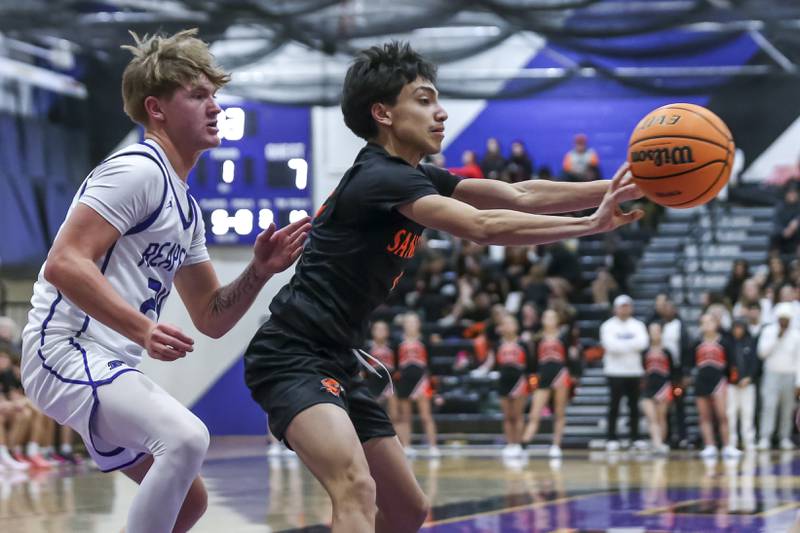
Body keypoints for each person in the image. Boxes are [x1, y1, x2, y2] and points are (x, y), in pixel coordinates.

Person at [242, 41, 643, 533]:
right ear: (383, 113)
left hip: (339, 357)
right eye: (425, 99)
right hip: (291, 354)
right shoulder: (379, 178)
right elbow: (485, 226)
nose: (441, 112)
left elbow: (520, 194)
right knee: (356, 488)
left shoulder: (412, 175)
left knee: (407, 511)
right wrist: (589, 226)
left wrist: (629, 184)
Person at [19, 29, 309, 533]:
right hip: (63, 347)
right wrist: (141, 329)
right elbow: (63, 263)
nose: (214, 107)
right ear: (156, 108)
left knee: (189, 505)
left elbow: (211, 317)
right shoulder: (138, 170)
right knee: (186, 438)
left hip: (109, 361)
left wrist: (259, 271)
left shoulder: (187, 208)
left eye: (215, 95)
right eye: (198, 95)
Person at [600, 294, 648, 451]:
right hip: (614, 372)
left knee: (634, 406)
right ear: (615, 309)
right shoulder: (607, 326)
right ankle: (611, 437)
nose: (624, 309)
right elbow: (610, 346)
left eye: (627, 306)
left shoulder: (638, 325)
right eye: (622, 306)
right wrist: (630, 345)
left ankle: (635, 437)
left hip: (634, 371)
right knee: (614, 405)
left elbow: (643, 343)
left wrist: (622, 345)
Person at [522, 309, 571, 458]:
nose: (549, 319)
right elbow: (532, 362)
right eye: (546, 317)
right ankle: (523, 444)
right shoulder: (537, 338)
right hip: (543, 376)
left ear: (558, 320)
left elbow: (571, 356)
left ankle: (556, 445)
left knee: (559, 412)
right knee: (535, 413)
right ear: (542, 320)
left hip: (560, 375)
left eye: (552, 317)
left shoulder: (564, 336)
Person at [691, 314, 741, 459]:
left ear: (716, 324)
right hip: (701, 381)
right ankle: (710, 445)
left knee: (722, 415)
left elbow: (732, 364)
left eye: (710, 321)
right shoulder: (696, 343)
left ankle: (727, 446)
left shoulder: (724, 342)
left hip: (719, 381)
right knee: (704, 416)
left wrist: (732, 380)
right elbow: (690, 363)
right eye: (704, 322)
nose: (707, 325)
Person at [756, 302, 800, 451]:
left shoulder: (796, 335)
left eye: (786, 319)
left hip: (790, 375)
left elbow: (799, 360)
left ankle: (784, 437)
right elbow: (762, 353)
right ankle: (765, 437)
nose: (784, 322)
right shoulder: (769, 331)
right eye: (781, 319)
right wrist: (777, 337)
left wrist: (798, 383)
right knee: (769, 406)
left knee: (787, 408)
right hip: (771, 375)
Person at [492, 313, 531, 458]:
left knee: (518, 415)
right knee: (507, 416)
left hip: (519, 381)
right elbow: (494, 363)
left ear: (516, 326)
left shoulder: (523, 344)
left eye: (510, 323)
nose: (508, 326)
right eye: (505, 324)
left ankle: (519, 445)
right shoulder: (497, 344)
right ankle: (510, 444)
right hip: (503, 381)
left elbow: (530, 364)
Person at [640, 322, 673, 455]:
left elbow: (672, 370)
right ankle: (657, 443)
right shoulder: (644, 352)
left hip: (663, 387)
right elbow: (641, 368)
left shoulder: (667, 352)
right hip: (648, 387)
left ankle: (661, 443)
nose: (655, 334)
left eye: (657, 331)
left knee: (661, 417)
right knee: (651, 417)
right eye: (652, 331)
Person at [728, 319, 758, 452]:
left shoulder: (751, 342)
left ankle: (748, 441)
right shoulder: (728, 343)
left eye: (740, 328)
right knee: (731, 413)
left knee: (748, 413)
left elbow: (756, 363)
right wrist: (733, 380)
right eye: (735, 328)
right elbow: (725, 365)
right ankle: (731, 441)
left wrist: (749, 378)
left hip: (748, 384)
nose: (737, 331)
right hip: (732, 385)